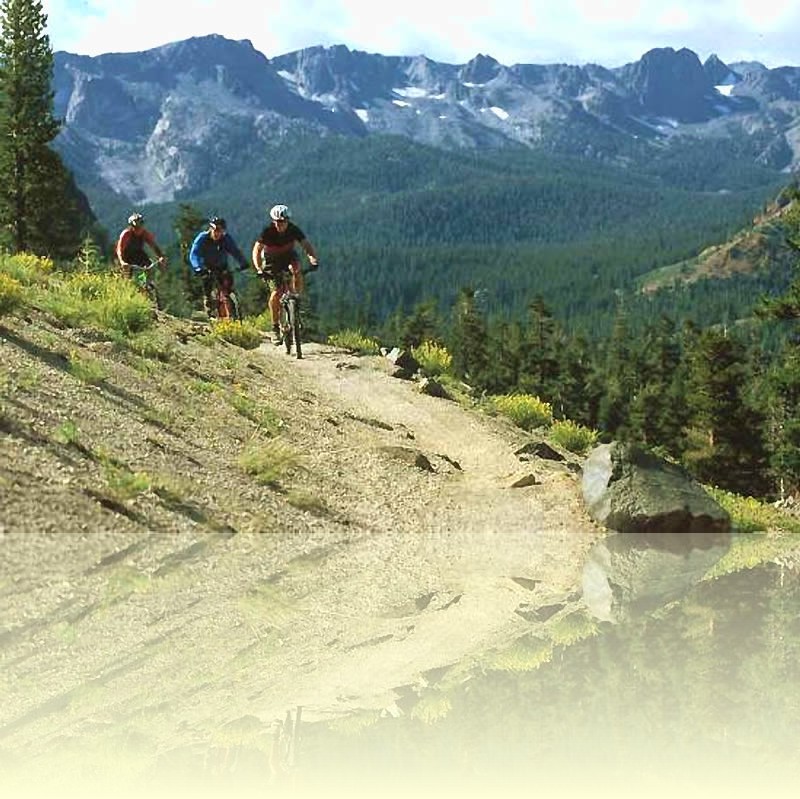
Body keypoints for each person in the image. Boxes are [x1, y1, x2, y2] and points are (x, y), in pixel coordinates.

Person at [252, 204, 319, 344]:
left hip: (288, 256)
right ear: (273, 221)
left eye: (283, 222)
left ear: (288, 221)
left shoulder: (293, 229)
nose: (281, 225)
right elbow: (257, 250)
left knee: (296, 270)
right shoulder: (268, 231)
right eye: (278, 222)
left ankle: (296, 298)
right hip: (271, 261)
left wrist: (312, 259)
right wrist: (259, 268)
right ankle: (275, 328)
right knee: (276, 293)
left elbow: (306, 245)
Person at [189, 216, 250, 319]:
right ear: (211, 229)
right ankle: (210, 310)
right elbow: (194, 255)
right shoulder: (202, 238)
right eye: (216, 230)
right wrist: (198, 268)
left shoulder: (226, 239)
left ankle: (232, 312)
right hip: (206, 268)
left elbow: (235, 252)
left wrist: (243, 263)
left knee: (227, 288)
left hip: (222, 267)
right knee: (208, 290)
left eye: (221, 231)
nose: (218, 233)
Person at [115, 212, 167, 279]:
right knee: (126, 274)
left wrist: (161, 256)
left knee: (149, 267)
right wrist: (122, 262)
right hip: (126, 255)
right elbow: (120, 249)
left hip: (138, 254)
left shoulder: (144, 233)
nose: (139, 228)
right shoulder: (126, 234)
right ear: (132, 226)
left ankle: (147, 284)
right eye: (136, 226)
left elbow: (154, 246)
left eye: (141, 224)